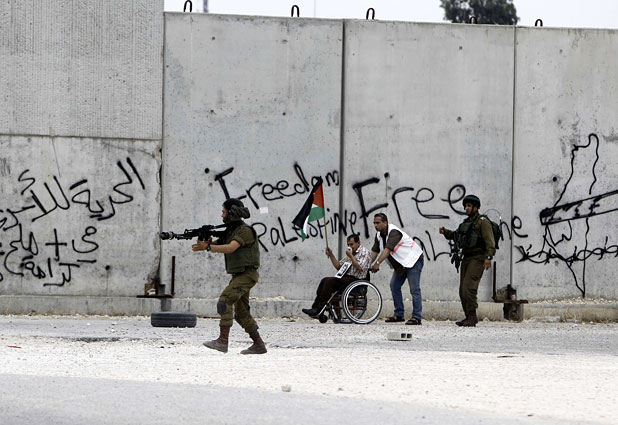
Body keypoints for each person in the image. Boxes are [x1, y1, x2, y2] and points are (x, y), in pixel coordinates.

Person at [192, 198, 266, 354]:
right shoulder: (232, 231)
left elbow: (231, 248)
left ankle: (222, 341)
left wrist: (209, 247)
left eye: (224, 212)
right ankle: (258, 345)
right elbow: (221, 244)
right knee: (241, 313)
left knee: (224, 301)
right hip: (240, 275)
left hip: (247, 275)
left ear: (232, 214)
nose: (222, 215)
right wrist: (205, 244)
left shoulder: (244, 231)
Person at [439, 194, 495, 327]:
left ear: (476, 207)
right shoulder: (466, 223)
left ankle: (472, 316)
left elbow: (490, 241)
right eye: (465, 206)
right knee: (462, 290)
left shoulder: (483, 222)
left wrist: (488, 257)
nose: (466, 208)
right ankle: (468, 315)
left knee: (469, 287)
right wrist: (445, 232)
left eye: (469, 206)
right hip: (466, 257)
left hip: (478, 258)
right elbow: (456, 235)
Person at [370, 213, 424, 325]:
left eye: (378, 223)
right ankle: (399, 314)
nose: (375, 225)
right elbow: (375, 251)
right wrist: (366, 264)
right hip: (402, 264)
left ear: (385, 223)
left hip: (413, 260)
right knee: (394, 286)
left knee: (414, 289)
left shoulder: (394, 232)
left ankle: (416, 317)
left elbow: (387, 250)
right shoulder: (379, 235)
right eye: (374, 223)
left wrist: (377, 263)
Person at [301, 233, 372, 318]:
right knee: (324, 280)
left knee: (330, 281)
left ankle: (319, 309)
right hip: (347, 278)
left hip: (357, 281)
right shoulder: (351, 253)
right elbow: (338, 266)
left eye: (352, 244)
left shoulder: (364, 252)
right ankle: (316, 308)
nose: (350, 247)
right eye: (348, 245)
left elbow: (360, 267)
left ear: (358, 243)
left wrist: (351, 256)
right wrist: (331, 255)